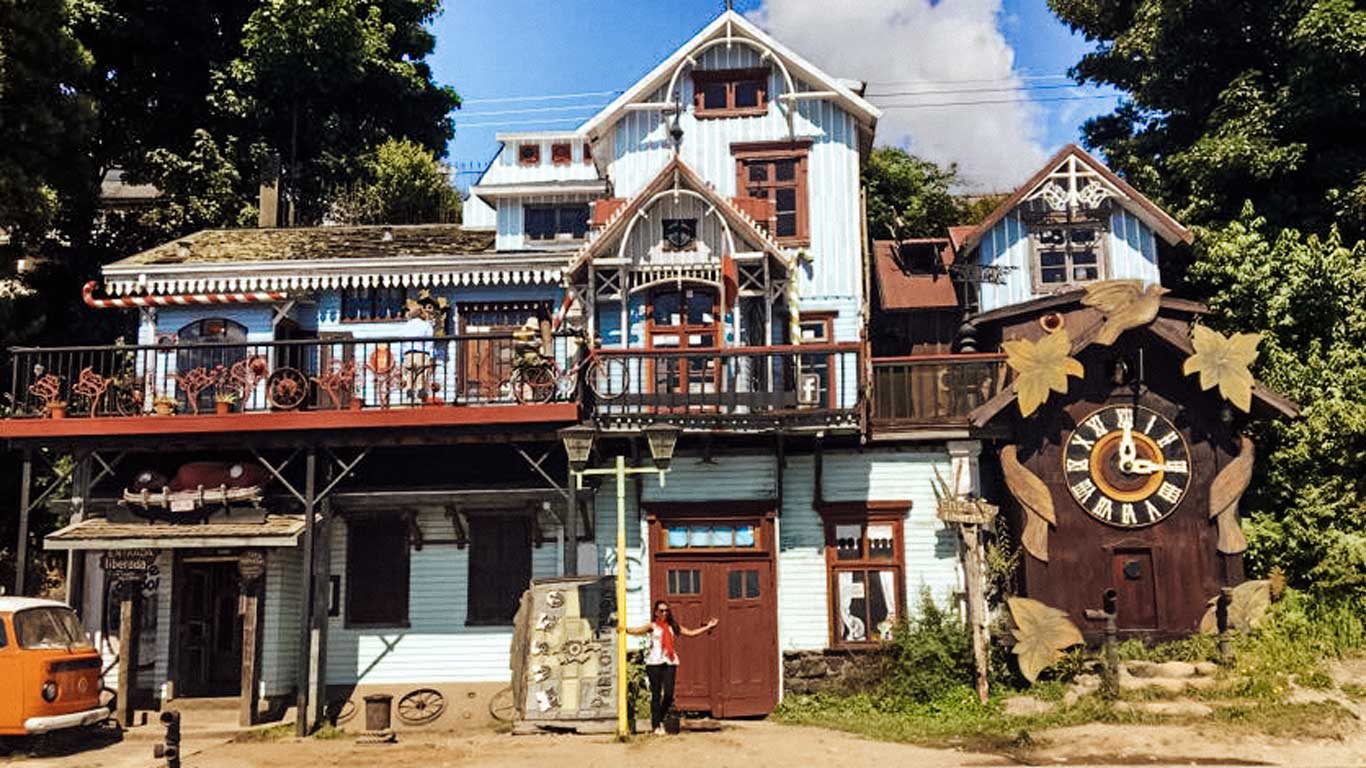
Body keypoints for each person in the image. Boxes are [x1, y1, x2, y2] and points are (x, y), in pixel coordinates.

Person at [626, 600, 718, 735]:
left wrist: (708, 627)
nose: (664, 613)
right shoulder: (652, 626)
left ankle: (659, 718)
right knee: (656, 694)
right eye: (661, 611)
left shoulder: (672, 626)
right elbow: (637, 631)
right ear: (656, 613)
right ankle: (656, 725)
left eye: (666, 611)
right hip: (654, 662)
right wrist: (624, 629)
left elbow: (690, 632)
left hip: (669, 660)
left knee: (668, 694)